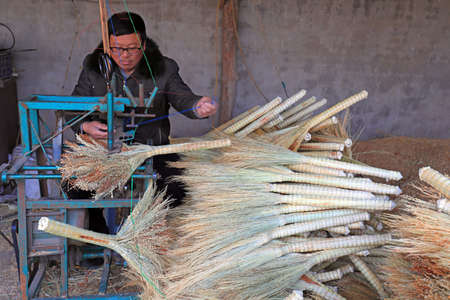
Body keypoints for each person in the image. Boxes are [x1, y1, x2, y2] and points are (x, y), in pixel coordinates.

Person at [69, 12, 217, 234]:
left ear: (144, 44)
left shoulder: (164, 69)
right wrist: (85, 126)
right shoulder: (95, 69)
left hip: (151, 149)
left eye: (132, 48)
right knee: (74, 183)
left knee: (176, 184)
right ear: (107, 45)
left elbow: (183, 98)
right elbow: (71, 108)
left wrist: (198, 106)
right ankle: (98, 232)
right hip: (104, 149)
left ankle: (149, 234)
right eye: (117, 48)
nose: (124, 55)